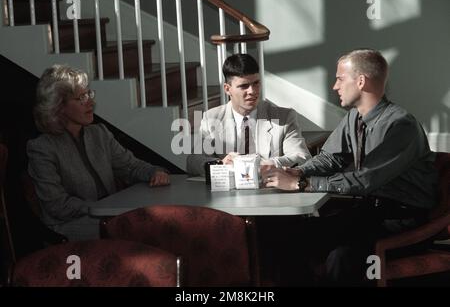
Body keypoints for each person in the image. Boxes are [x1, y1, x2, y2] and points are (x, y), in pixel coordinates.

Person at [262, 49, 438, 285]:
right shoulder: (353, 117)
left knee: (341, 256)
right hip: (369, 212)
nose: (335, 86)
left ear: (361, 81)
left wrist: (300, 184)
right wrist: (300, 171)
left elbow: (365, 180)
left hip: (403, 218)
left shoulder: (400, 125)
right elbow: (331, 158)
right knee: (289, 236)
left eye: (340, 78)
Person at [27, 65, 170, 241]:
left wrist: (154, 172)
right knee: (138, 230)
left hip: (109, 216)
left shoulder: (100, 133)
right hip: (69, 226)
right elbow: (57, 205)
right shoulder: (42, 148)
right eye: (81, 98)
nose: (90, 103)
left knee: (160, 222)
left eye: (89, 95)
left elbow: (131, 167)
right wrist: (102, 209)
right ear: (58, 106)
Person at [186, 54, 311, 176]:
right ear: (227, 89)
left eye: (256, 83)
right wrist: (220, 165)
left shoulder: (284, 117)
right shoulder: (211, 118)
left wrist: (267, 164)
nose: (252, 91)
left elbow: (302, 157)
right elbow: (192, 161)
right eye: (244, 86)